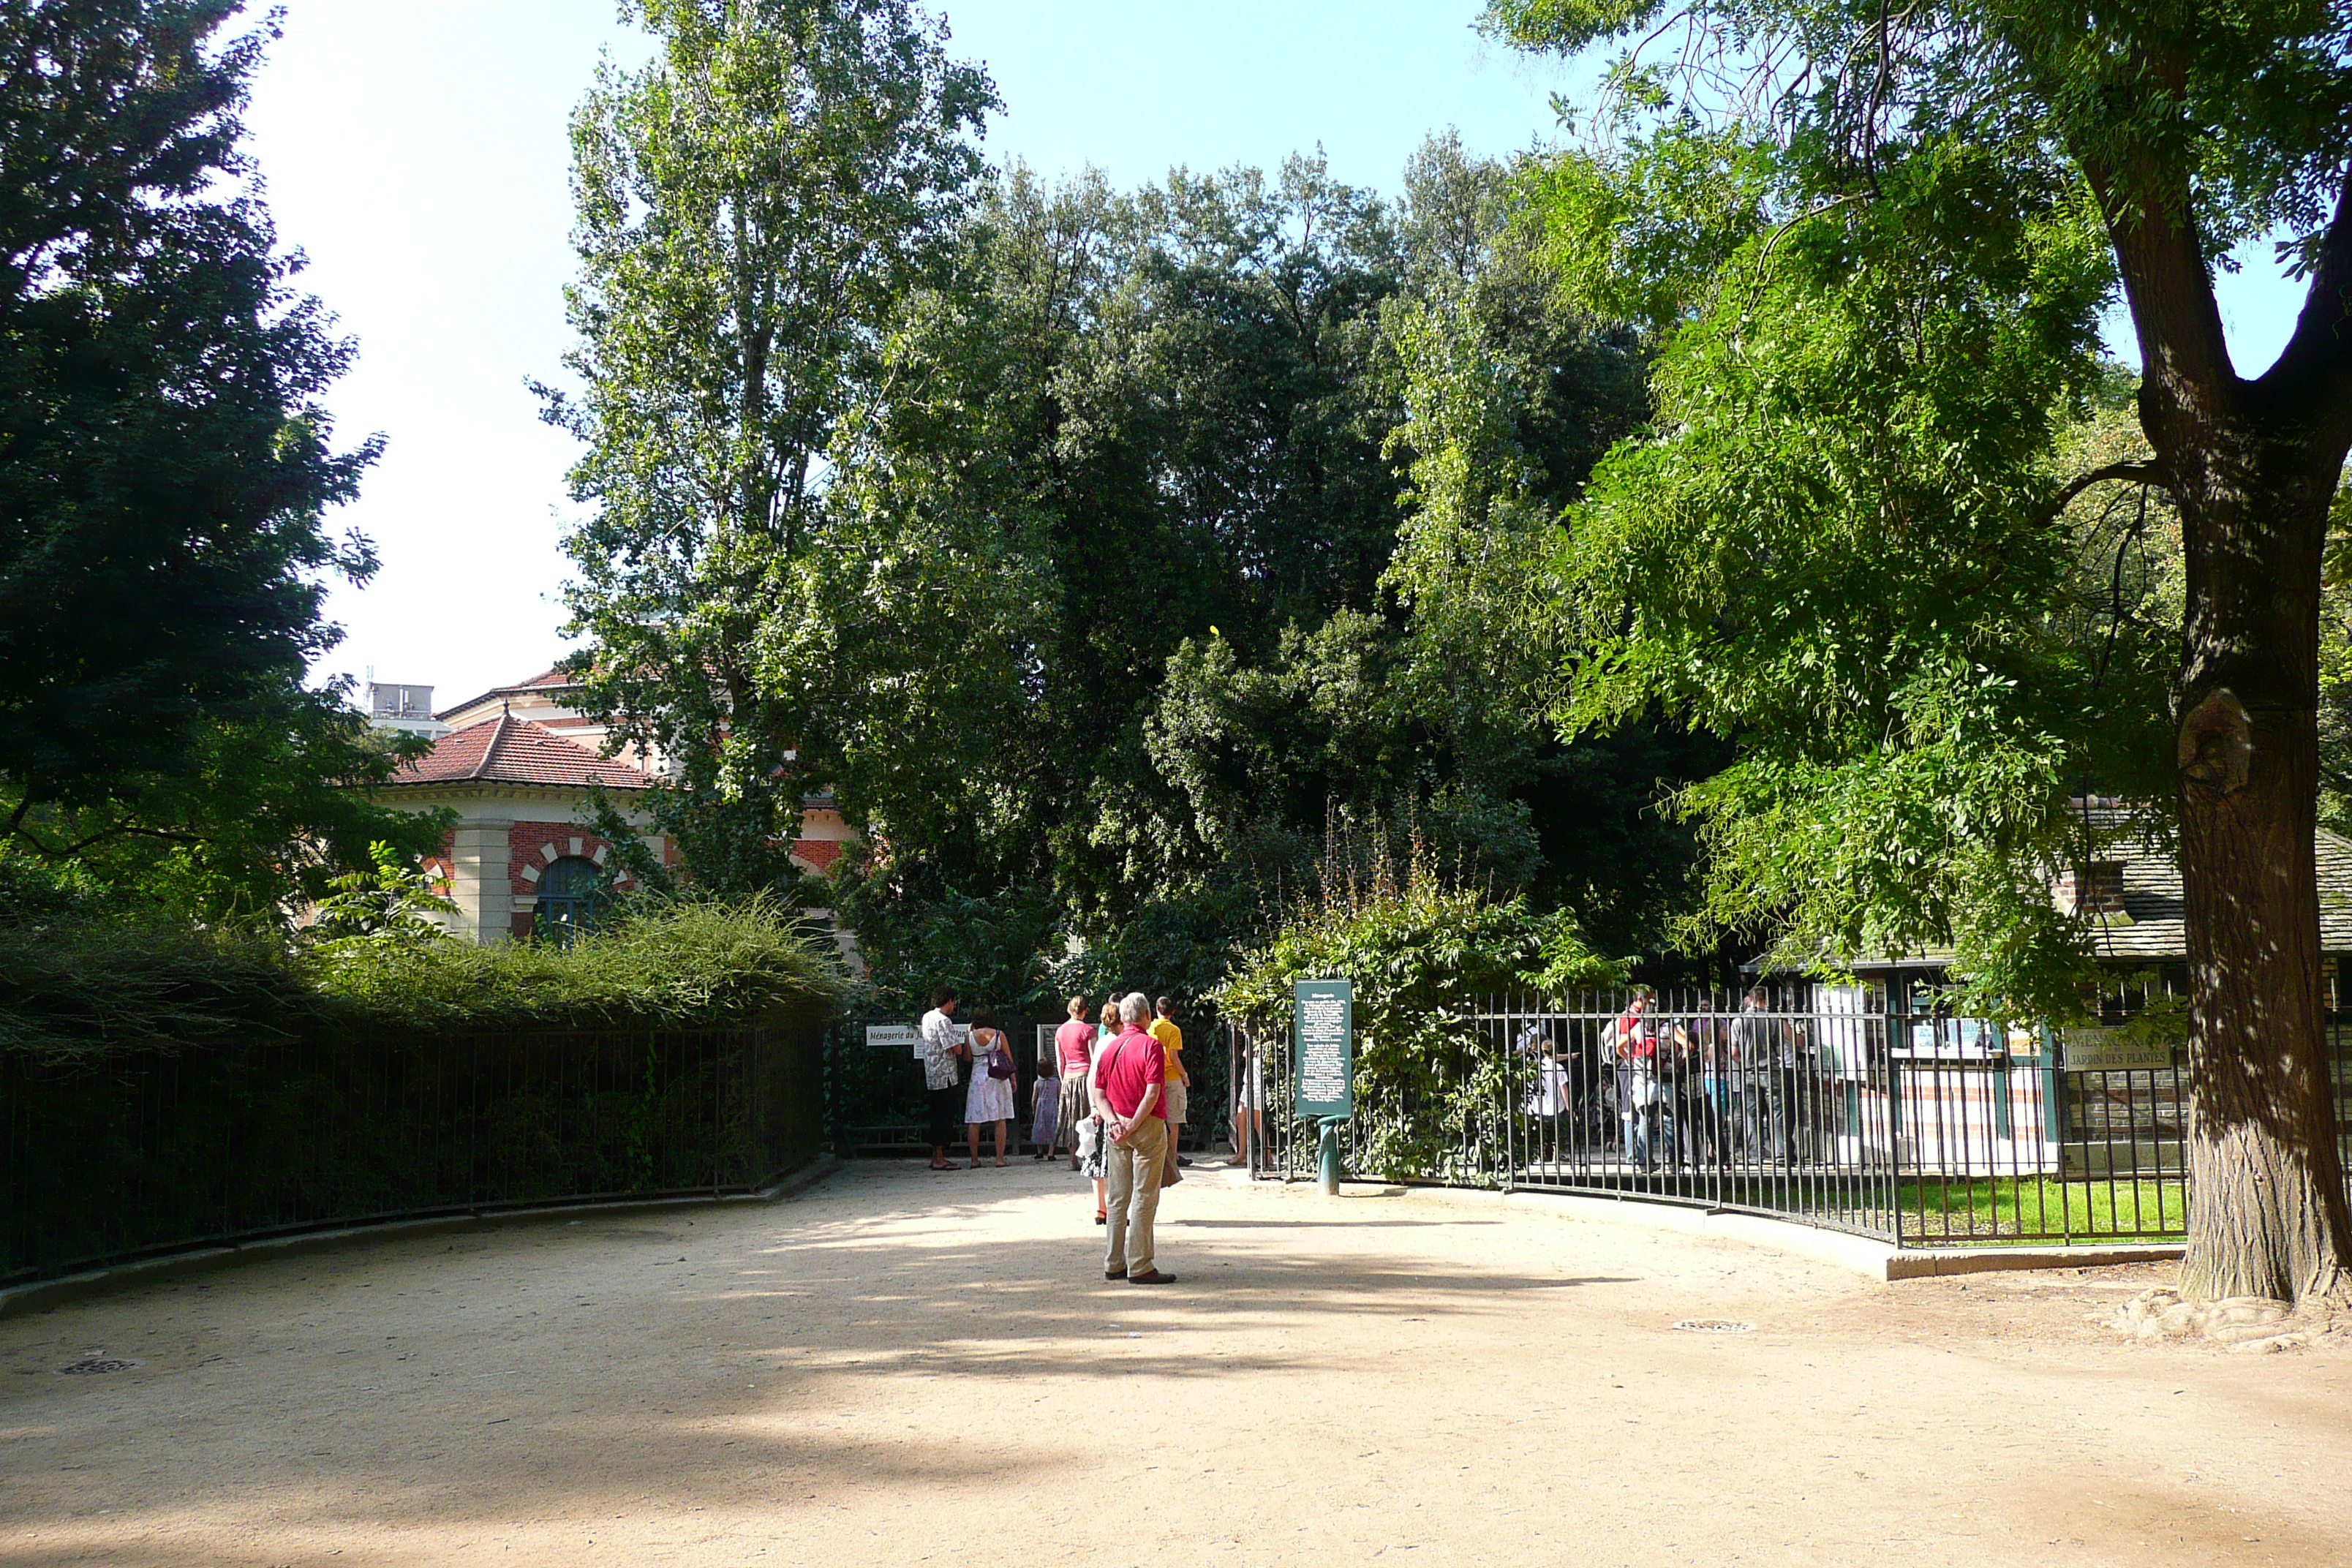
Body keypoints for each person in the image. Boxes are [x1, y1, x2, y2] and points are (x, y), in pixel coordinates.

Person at [1095, 992, 1175, 1284]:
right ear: (1145, 1016)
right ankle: (1140, 1264)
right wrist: (1134, 1123)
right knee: (1144, 1195)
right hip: (1146, 1126)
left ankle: (1113, 1262)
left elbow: (1099, 1094)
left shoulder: (1109, 1048)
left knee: (1117, 1198)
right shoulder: (1151, 1046)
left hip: (1116, 1129)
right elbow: (1152, 1092)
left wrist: (1114, 1122)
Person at [918, 987, 968, 1171]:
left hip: (932, 1074)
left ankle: (936, 1156)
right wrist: (955, 1046)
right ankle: (940, 1158)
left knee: (936, 1116)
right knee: (944, 1117)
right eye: (953, 1002)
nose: (954, 1006)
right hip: (946, 1076)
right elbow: (957, 1048)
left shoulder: (927, 1017)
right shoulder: (943, 1021)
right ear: (948, 1001)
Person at [964, 1006, 1016, 1167]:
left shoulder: (970, 1036)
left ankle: (974, 1160)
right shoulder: (999, 1034)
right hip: (998, 1077)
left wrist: (969, 1033)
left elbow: (967, 1058)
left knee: (975, 1120)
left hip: (978, 1078)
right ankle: (1000, 1159)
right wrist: (1013, 1079)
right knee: (1000, 1119)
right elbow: (1009, 1059)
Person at [1053, 996, 1096, 1169]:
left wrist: (1064, 1080)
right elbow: (1094, 1059)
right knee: (1088, 1116)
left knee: (1071, 1118)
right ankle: (1090, 1157)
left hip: (1069, 1077)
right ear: (1085, 1011)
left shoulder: (1060, 1031)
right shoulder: (1088, 1030)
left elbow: (1059, 1060)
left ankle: (1073, 1160)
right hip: (1085, 1075)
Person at [1150, 996, 1188, 1178]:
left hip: (1155, 1078)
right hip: (1172, 1077)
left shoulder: (1150, 1029)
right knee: (1174, 1121)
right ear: (1173, 1011)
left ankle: (1156, 1157)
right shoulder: (1174, 1030)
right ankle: (1173, 1158)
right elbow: (1173, 1056)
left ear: (1156, 1009)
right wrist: (1184, 1075)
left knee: (1155, 1119)